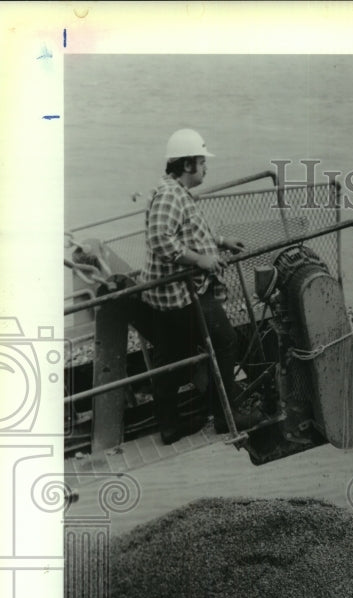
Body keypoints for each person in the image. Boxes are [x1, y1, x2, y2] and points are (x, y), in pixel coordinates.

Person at [138, 128, 260, 444]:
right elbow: (161, 239)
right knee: (226, 340)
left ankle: (170, 425)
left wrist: (220, 242)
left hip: (172, 294)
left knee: (174, 357)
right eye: (202, 162)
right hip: (181, 294)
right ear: (188, 164)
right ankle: (225, 416)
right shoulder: (170, 196)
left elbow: (189, 231)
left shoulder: (175, 192)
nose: (207, 168)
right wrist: (200, 261)